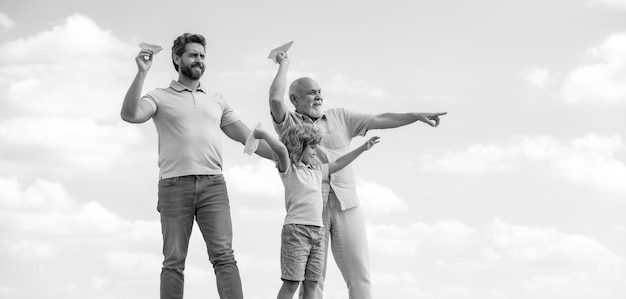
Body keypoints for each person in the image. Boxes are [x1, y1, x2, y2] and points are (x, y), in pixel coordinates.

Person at [268, 51, 447, 299]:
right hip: (311, 210)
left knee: (360, 276)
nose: (318, 95)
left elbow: (380, 118)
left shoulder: (342, 117)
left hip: (347, 205)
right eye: (311, 92)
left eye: (320, 91)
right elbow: (276, 100)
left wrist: (414, 117)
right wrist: (284, 64)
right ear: (295, 99)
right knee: (313, 281)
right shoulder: (289, 124)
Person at [120, 33, 272, 299]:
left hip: (213, 185)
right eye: (193, 55)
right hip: (174, 185)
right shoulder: (160, 96)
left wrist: (287, 156)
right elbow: (130, 114)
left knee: (224, 256)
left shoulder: (216, 99)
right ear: (177, 59)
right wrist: (142, 73)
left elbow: (247, 137)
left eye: (202, 56)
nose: (199, 60)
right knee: (174, 261)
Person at [252, 124, 380, 299]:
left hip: (318, 233)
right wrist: (262, 132)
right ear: (299, 146)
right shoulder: (289, 169)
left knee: (313, 282)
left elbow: (338, 163)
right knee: (292, 283)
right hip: (297, 232)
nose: (315, 151)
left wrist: (363, 149)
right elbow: (281, 148)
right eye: (312, 147)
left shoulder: (318, 171)